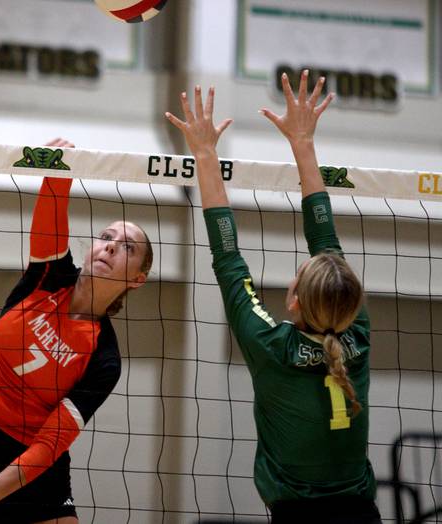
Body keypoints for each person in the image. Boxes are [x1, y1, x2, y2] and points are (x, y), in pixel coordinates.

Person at [165, 71, 381, 523]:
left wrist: (204, 153)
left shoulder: (274, 346)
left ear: (295, 301)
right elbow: (316, 249)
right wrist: (302, 142)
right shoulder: (353, 331)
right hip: (362, 513)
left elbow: (232, 255)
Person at [0, 139, 153, 524]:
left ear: (138, 279)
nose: (111, 248)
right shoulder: (49, 277)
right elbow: (49, 217)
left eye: (127, 248)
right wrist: (59, 169)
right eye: (107, 237)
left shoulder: (105, 358)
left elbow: (51, 442)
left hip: (35, 465)